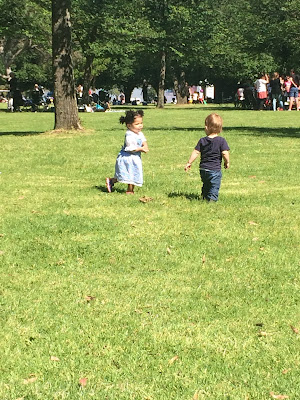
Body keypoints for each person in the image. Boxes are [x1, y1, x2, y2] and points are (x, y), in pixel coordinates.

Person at [184, 113, 230, 202]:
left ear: (206, 127)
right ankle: (212, 200)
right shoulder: (221, 141)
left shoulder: (202, 140)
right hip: (214, 170)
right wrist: (227, 162)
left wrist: (189, 162)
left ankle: (204, 196)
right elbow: (225, 153)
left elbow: (196, 152)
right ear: (220, 129)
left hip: (203, 169)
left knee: (206, 183)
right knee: (214, 185)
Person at [105, 110, 149, 194]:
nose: (140, 126)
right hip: (127, 157)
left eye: (141, 123)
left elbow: (144, 141)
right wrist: (141, 149)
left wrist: (145, 146)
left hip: (135, 157)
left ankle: (112, 181)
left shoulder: (139, 133)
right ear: (129, 125)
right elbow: (130, 148)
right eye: (137, 124)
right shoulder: (129, 135)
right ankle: (129, 190)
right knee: (127, 173)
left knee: (134, 172)